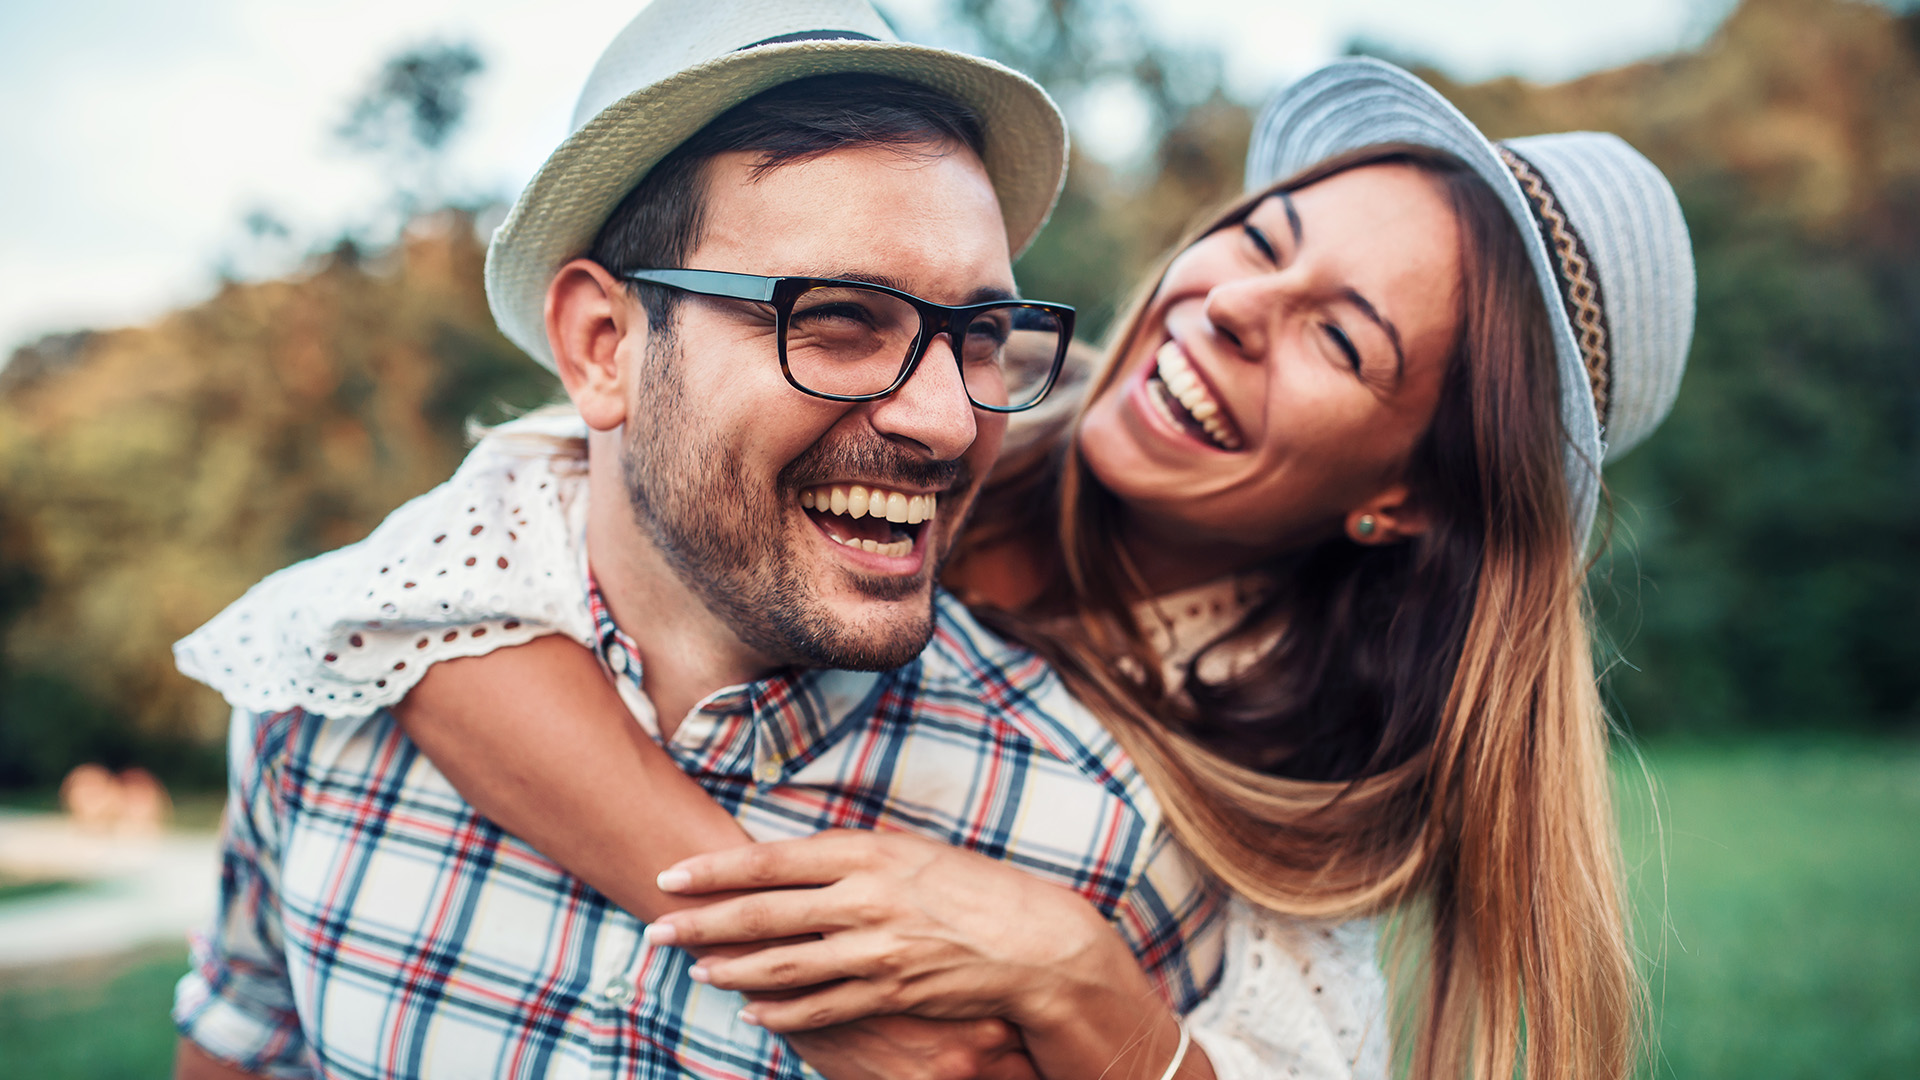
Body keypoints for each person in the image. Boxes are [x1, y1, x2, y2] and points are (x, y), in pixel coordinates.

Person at [184, 57, 1697, 1080]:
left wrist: (1078, 982)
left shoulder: (1253, 812)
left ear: (1403, 501)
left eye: (1343, 338)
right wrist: (795, 951)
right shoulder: (948, 397)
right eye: (1264, 238)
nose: (1238, 306)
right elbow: (425, 599)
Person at [169, 3, 1228, 1078]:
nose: (950, 420)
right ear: (602, 347)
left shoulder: (1107, 844)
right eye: (839, 317)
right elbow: (240, 1043)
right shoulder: (330, 698)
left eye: (984, 337)